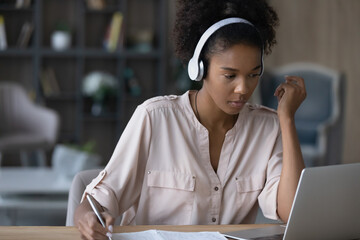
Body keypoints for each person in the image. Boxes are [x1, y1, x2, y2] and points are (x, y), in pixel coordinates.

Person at [75, 0, 306, 239]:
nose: (243, 88)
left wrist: (287, 119)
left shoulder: (268, 127)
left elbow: (291, 211)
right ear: (199, 69)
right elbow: (97, 201)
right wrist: (87, 217)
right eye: (230, 75)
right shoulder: (154, 119)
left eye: (253, 75)